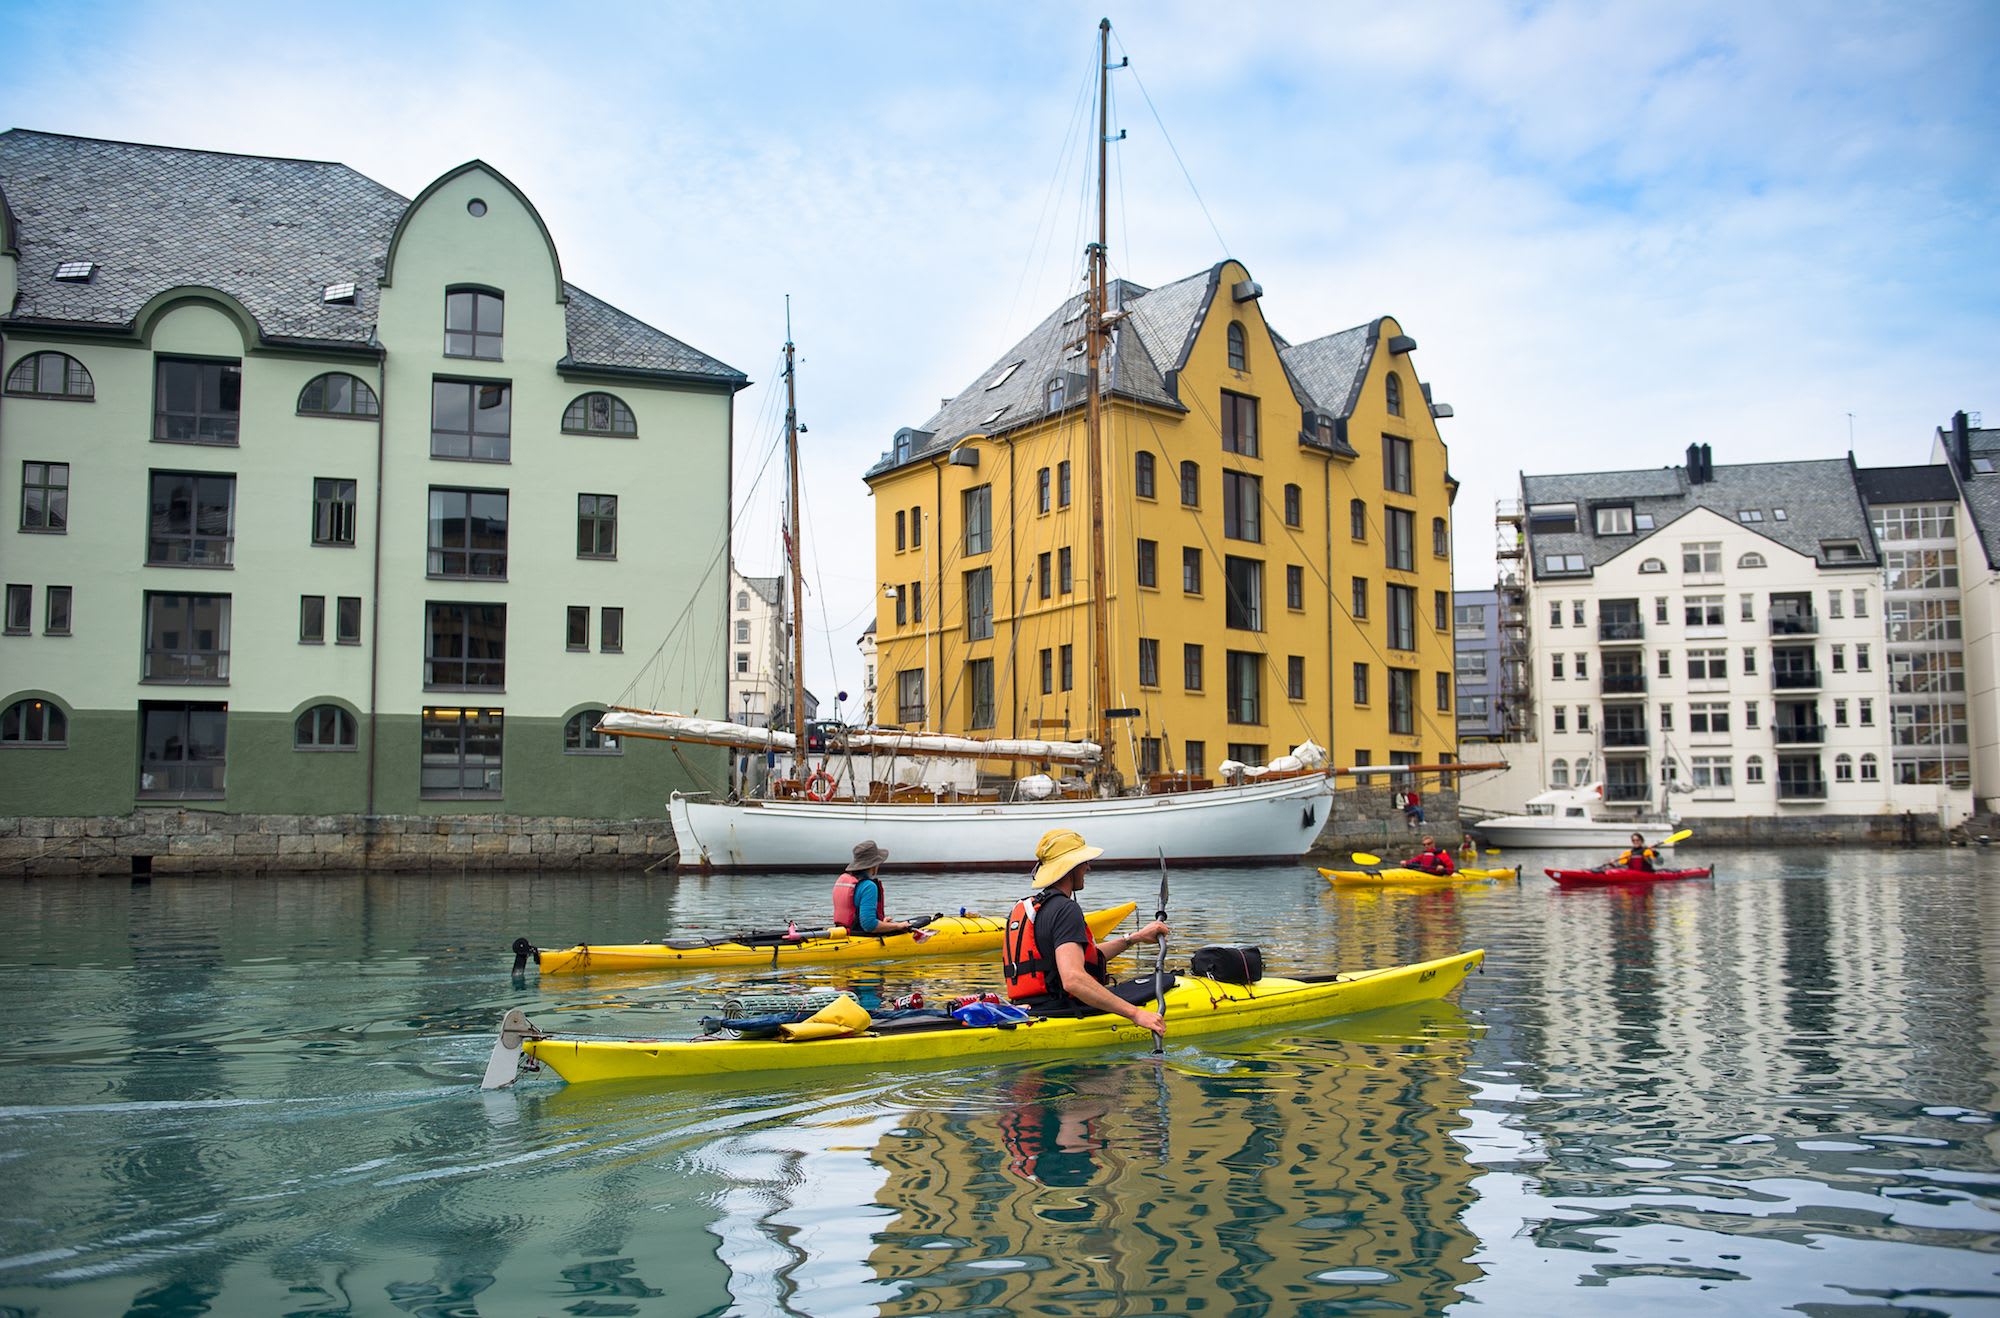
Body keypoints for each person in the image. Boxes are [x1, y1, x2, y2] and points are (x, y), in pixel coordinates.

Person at [1003, 828, 1171, 1037]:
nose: (1088, 868)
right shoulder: (1066, 909)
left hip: (1029, 1008)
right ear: (1070, 867)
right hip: (1061, 1011)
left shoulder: (1032, 908)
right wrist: (1136, 1014)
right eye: (1083, 862)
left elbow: (1076, 957)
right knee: (1165, 982)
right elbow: (1073, 979)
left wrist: (1134, 938)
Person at [832, 840, 933, 939]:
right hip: (861, 937)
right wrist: (897, 926)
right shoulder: (869, 886)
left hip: (843, 934)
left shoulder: (846, 881)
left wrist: (882, 924)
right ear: (874, 865)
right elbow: (869, 925)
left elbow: (859, 918)